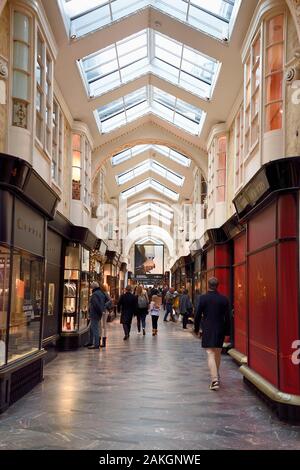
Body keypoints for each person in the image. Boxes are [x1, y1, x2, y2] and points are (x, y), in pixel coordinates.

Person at [194, 277, 231, 391]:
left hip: (208, 328)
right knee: (218, 352)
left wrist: (196, 328)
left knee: (210, 353)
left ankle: (214, 380)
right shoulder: (224, 299)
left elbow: (198, 314)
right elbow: (228, 317)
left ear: (208, 285)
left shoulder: (203, 298)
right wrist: (228, 331)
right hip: (220, 328)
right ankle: (216, 375)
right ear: (217, 285)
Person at [85, 281, 111, 350]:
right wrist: (103, 307)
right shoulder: (101, 292)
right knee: (91, 328)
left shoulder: (95, 294)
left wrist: (101, 310)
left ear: (93, 287)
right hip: (98, 313)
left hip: (95, 314)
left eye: (91, 287)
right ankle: (90, 342)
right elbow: (108, 301)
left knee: (95, 328)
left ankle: (96, 344)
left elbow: (96, 304)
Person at [99, 284, 113, 348]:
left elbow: (110, 300)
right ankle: (100, 340)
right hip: (102, 311)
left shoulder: (105, 293)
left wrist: (104, 305)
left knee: (103, 326)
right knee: (102, 326)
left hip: (104, 311)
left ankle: (103, 341)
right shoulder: (103, 293)